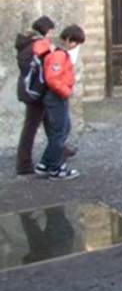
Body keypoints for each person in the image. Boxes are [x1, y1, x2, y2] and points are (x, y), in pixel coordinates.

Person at [36, 24, 86, 180]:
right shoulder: (59, 55)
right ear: (70, 39)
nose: (76, 47)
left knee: (62, 129)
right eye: (75, 43)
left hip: (57, 95)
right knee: (60, 132)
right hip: (56, 96)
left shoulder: (59, 53)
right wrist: (66, 91)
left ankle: (45, 163)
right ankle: (56, 168)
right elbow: (53, 79)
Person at [14, 16, 56, 175]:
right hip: (37, 91)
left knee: (49, 123)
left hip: (31, 90)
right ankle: (23, 163)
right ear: (45, 31)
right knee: (31, 127)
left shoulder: (27, 44)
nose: (52, 34)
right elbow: (47, 66)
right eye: (51, 31)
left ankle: (59, 150)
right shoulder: (38, 46)